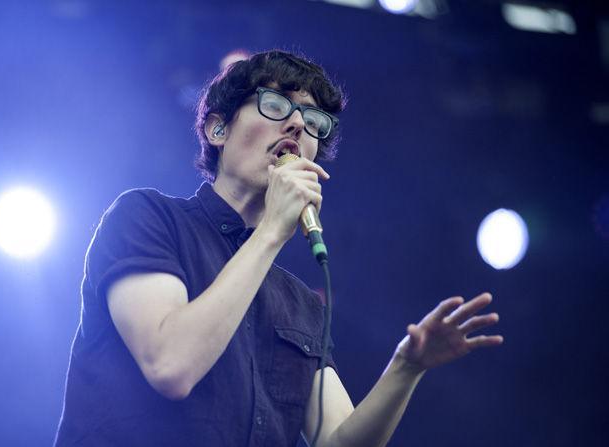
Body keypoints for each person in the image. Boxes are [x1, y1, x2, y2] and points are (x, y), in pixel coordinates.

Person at [54, 50, 503, 447]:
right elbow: (170, 365)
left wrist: (406, 367)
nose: (296, 124)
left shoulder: (300, 304)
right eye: (275, 104)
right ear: (217, 129)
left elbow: (338, 440)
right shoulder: (147, 217)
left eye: (313, 122)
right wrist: (272, 230)